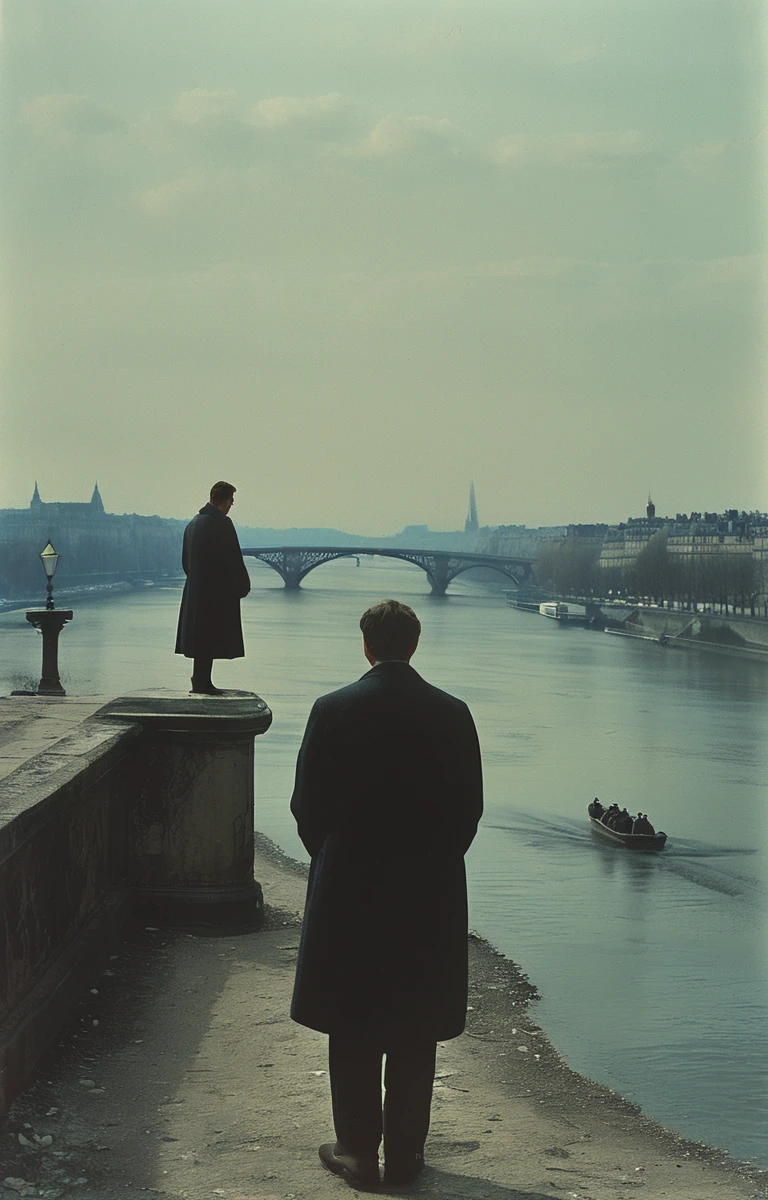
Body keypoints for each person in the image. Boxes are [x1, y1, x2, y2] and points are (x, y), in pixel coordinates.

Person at [289, 599, 483, 1189]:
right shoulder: (453, 713)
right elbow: (468, 810)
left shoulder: (332, 709)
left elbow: (306, 807)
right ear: (414, 645)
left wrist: (333, 857)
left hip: (350, 885)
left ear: (367, 646)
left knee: (351, 1017)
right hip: (427, 888)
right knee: (414, 1022)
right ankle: (404, 1153)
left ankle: (355, 1149)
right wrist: (435, 862)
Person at [174, 481, 251, 694]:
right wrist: (242, 586)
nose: (231, 505)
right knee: (211, 637)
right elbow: (233, 559)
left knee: (201, 639)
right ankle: (203, 682)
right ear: (223, 500)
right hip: (216, 594)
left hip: (196, 592)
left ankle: (200, 680)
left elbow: (185, 563)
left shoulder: (193, 524)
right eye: (231, 501)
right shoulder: (222, 524)